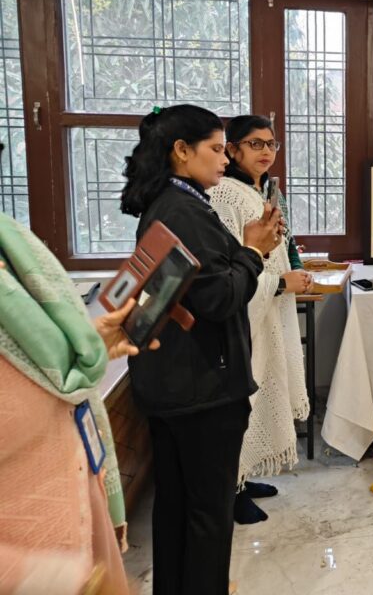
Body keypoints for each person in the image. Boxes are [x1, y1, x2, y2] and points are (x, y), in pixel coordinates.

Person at [120, 104, 280, 595]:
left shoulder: (172, 202)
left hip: (176, 380)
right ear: (181, 151)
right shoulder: (184, 210)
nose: (224, 159)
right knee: (208, 514)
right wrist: (253, 251)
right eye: (215, 149)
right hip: (203, 387)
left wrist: (246, 251)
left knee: (177, 506)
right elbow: (219, 297)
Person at [0, 212, 158, 595]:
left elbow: (36, 372)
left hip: (82, 535)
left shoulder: (12, 242)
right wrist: (60, 579)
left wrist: (85, 346)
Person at [209, 115, 312, 525]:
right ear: (232, 149)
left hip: (267, 311)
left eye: (271, 144)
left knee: (259, 396)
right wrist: (281, 283)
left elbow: (275, 248)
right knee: (243, 403)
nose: (266, 151)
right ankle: (229, 491)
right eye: (255, 144)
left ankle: (243, 476)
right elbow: (232, 266)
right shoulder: (225, 195)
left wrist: (289, 273)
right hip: (245, 316)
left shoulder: (261, 190)